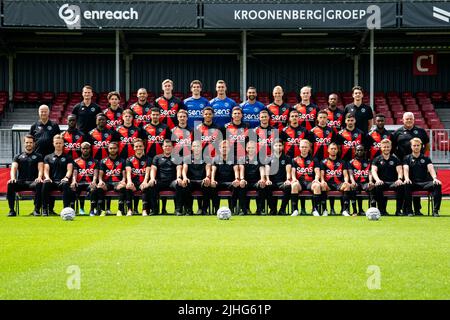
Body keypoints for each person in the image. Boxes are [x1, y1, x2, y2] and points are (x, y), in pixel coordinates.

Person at [391, 112, 430, 215]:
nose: (409, 120)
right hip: (402, 164)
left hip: (417, 163)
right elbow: (393, 147)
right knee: (405, 186)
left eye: (410, 119)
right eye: (407, 119)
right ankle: (406, 209)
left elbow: (426, 145)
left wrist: (421, 156)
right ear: (402, 120)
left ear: (414, 120)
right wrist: (399, 158)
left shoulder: (421, 131)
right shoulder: (397, 132)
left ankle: (417, 210)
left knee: (416, 184)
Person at [403, 138, 441, 217]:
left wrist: (434, 178)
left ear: (421, 146)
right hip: (413, 183)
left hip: (425, 183)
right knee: (406, 185)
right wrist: (406, 178)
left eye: (418, 145)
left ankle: (435, 211)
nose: (416, 147)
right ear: (411, 147)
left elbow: (431, 168)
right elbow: (405, 169)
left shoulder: (426, 158)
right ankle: (409, 211)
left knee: (437, 185)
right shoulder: (407, 158)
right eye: (414, 145)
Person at [7, 135, 44, 216]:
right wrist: (13, 178)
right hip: (21, 182)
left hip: (33, 182)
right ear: (24, 143)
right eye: (27, 142)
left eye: (30, 142)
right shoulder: (18, 156)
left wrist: (39, 177)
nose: (29, 144)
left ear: (34, 144)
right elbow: (13, 168)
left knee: (40, 184)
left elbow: (41, 169)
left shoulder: (39, 156)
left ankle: (36, 210)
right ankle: (11, 210)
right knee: (10, 184)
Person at [148, 139, 184, 215]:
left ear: (172, 147)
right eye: (166, 146)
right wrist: (152, 178)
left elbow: (179, 168)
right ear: (163, 147)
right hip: (161, 181)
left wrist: (179, 178)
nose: (167, 148)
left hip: (172, 182)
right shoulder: (157, 157)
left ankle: (178, 210)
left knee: (178, 184)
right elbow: (153, 169)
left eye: (169, 146)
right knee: (152, 184)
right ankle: (154, 210)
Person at [42, 134, 74, 216]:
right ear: (53, 144)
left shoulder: (68, 157)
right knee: (45, 184)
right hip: (52, 181)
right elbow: (46, 169)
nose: (58, 145)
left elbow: (69, 169)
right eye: (56, 143)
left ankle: (66, 210)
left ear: (63, 144)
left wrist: (67, 177)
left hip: (62, 181)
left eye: (60, 143)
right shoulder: (48, 157)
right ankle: (45, 209)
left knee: (66, 184)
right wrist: (47, 178)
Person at [371, 139, 404, 216]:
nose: (386, 149)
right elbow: (373, 171)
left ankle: (398, 211)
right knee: (378, 186)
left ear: (391, 147)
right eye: (384, 147)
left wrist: (399, 179)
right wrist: (377, 180)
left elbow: (400, 171)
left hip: (393, 183)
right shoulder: (376, 159)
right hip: (382, 182)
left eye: (388, 147)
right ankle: (382, 211)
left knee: (401, 186)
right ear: (381, 148)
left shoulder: (396, 159)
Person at [181, 140, 212, 215]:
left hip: (202, 181)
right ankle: (189, 210)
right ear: (191, 148)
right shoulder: (187, 158)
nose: (196, 148)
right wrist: (184, 178)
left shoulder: (206, 157)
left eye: (198, 146)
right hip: (191, 181)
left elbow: (208, 168)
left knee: (207, 185)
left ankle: (204, 210)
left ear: (201, 148)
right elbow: (184, 169)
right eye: (194, 146)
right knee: (185, 185)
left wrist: (207, 177)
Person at [290, 140, 321, 216]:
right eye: (302, 147)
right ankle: (295, 210)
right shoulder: (294, 160)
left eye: (306, 147)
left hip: (310, 182)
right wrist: (294, 179)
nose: (304, 149)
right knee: (294, 185)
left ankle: (315, 210)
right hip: (299, 182)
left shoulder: (314, 160)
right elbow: (293, 172)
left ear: (309, 148)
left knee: (317, 186)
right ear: (299, 148)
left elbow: (317, 172)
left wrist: (316, 179)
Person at [210, 140, 242, 215]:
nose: (224, 149)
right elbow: (213, 171)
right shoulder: (215, 159)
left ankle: (232, 209)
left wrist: (237, 179)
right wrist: (212, 180)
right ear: (219, 148)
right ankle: (216, 209)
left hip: (230, 183)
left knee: (236, 186)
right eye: (223, 147)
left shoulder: (234, 158)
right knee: (212, 187)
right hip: (218, 182)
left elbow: (236, 170)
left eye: (226, 147)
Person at [319, 142, 351, 216]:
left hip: (338, 184)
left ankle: (344, 210)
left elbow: (345, 174)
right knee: (323, 185)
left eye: (335, 149)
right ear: (328, 150)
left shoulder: (342, 162)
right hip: (328, 184)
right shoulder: (323, 162)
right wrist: (323, 181)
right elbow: (322, 174)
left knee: (347, 186)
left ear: (337, 150)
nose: (333, 150)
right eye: (331, 149)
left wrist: (346, 181)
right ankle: (324, 210)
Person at [97, 142, 127, 216]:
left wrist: (123, 181)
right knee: (100, 187)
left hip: (117, 182)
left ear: (117, 149)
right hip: (107, 182)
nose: (112, 150)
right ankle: (102, 210)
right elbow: (100, 174)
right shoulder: (103, 161)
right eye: (111, 148)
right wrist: (100, 181)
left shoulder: (122, 161)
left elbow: (124, 174)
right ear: (108, 149)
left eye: (114, 148)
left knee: (123, 187)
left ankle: (120, 210)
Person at [125, 138, 153, 216]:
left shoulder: (148, 159)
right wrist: (129, 182)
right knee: (128, 188)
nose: (138, 148)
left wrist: (145, 182)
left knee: (145, 188)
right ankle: (129, 210)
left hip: (143, 181)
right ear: (134, 148)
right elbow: (128, 172)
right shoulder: (129, 159)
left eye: (140, 146)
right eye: (136, 146)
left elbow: (147, 172)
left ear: (143, 147)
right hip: (133, 182)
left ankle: (144, 210)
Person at [70, 142, 98, 216]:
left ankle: (92, 210)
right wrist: (73, 181)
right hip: (79, 183)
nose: (85, 150)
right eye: (83, 148)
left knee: (93, 188)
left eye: (87, 148)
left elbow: (95, 173)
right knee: (73, 188)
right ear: (80, 149)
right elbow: (75, 172)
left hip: (89, 183)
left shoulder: (95, 161)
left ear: (90, 149)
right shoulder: (76, 161)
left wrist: (94, 181)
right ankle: (74, 211)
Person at [265, 139, 292, 215]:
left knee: (288, 186)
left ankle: (282, 209)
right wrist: (267, 179)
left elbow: (288, 170)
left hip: (282, 182)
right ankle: (273, 210)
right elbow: (267, 169)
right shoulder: (268, 158)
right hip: (272, 182)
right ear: (273, 147)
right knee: (267, 186)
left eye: (280, 145)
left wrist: (287, 180)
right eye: (276, 145)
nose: (278, 147)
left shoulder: (287, 158)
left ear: (283, 147)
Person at [240, 141, 266, 215]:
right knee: (241, 186)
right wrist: (242, 179)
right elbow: (241, 169)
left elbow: (261, 169)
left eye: (252, 148)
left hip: (256, 182)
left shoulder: (260, 158)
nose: (250, 149)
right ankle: (244, 210)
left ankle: (259, 210)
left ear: (255, 149)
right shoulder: (242, 158)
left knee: (262, 185)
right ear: (246, 148)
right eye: (249, 148)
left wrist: (262, 179)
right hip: (246, 181)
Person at [348, 144, 375, 216]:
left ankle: (373, 211)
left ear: (364, 151)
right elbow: (350, 173)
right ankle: (355, 211)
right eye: (358, 150)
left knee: (372, 187)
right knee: (353, 187)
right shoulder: (351, 162)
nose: (360, 151)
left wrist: (370, 181)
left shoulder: (369, 161)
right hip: (356, 182)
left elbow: (370, 173)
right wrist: (353, 182)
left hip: (365, 183)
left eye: (361, 150)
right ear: (355, 151)